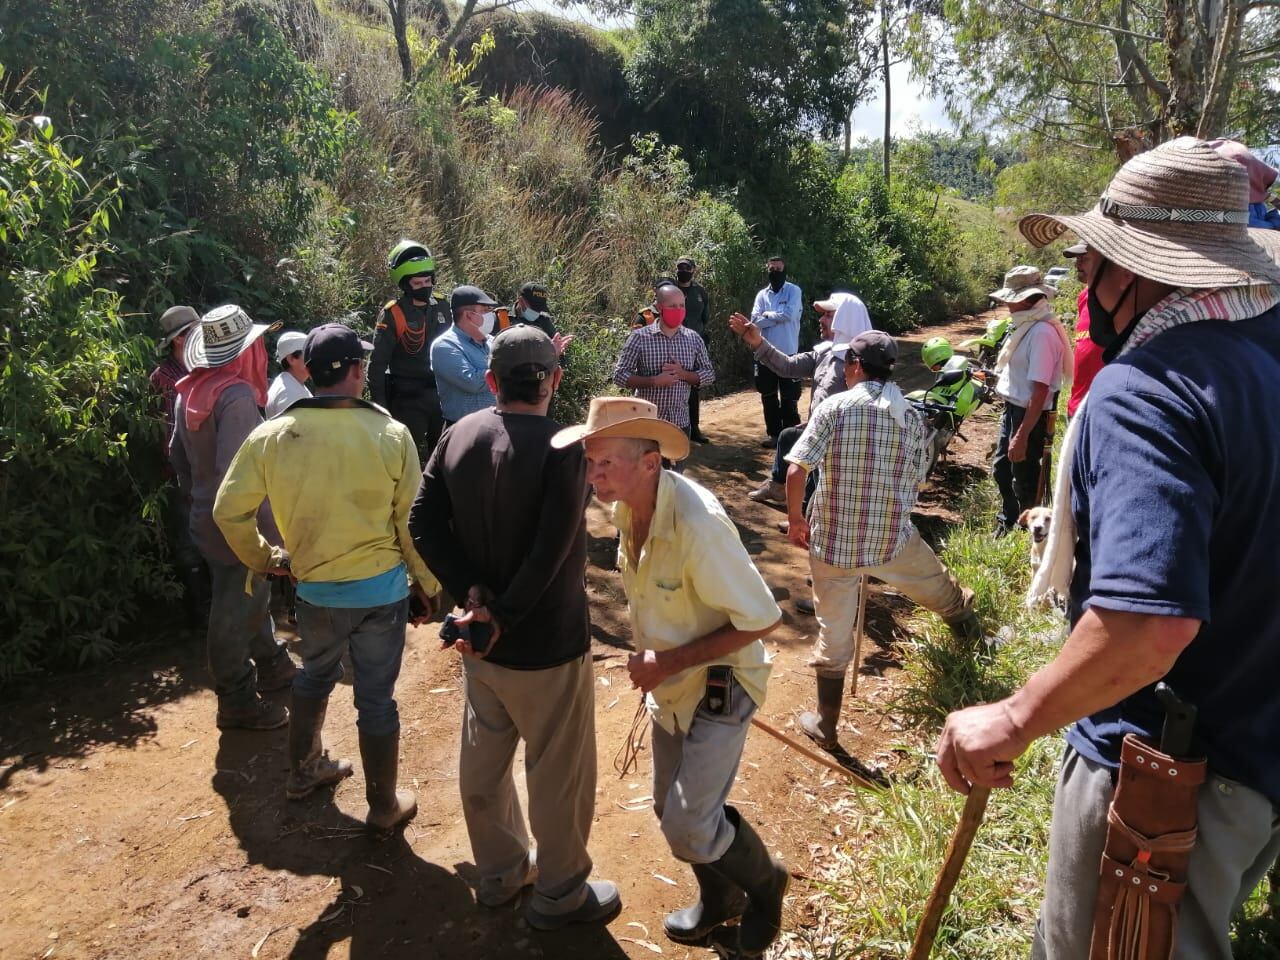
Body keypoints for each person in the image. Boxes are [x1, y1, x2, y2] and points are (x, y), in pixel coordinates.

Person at [938, 137, 1280, 960]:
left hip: (1164, 780)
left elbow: (1146, 625)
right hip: (1256, 750)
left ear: (1135, 269)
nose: (1086, 277)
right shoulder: (1260, 364)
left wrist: (1013, 717)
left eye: (1095, 258)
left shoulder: (1147, 390)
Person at [552, 397, 788, 957]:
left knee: (689, 823)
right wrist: (664, 666)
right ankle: (720, 897)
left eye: (606, 462)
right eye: (589, 462)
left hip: (722, 684)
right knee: (668, 808)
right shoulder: (626, 507)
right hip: (673, 685)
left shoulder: (698, 526)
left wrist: (665, 662)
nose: (593, 475)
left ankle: (766, 886)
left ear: (651, 463)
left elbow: (762, 619)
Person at [409, 326, 619, 930]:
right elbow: (551, 548)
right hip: (547, 642)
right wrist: (499, 613)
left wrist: (471, 595)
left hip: (481, 646)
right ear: (554, 379)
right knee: (557, 774)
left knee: (484, 761)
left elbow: (423, 521)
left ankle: (501, 876)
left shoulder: (458, 434)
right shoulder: (564, 448)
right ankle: (561, 894)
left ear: (491, 380)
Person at [214, 323, 440, 832]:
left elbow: (228, 511)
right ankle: (383, 806)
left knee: (314, 676)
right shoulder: (390, 434)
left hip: (314, 592)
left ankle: (303, 771)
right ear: (358, 370)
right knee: (376, 698)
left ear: (310, 373)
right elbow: (409, 524)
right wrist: (426, 584)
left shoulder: (272, 435)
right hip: (382, 593)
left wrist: (265, 558)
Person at [784, 331, 979, 749]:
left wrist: (797, 520)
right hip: (892, 540)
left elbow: (797, 469)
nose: (843, 370)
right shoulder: (910, 416)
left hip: (832, 544)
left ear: (855, 366)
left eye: (845, 363)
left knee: (834, 632)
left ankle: (827, 724)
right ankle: (975, 643)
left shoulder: (835, 407)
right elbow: (916, 479)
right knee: (940, 589)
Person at [170, 305, 297, 731]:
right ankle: (236, 697)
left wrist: (200, 499)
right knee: (234, 604)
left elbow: (178, 458)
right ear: (246, 352)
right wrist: (265, 532)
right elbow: (239, 476)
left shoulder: (189, 390)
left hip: (206, 517)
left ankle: (273, 663)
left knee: (248, 595)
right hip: (239, 522)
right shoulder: (236, 395)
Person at [733, 291, 867, 507]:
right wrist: (759, 343)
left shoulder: (860, 366)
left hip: (841, 444)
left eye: (828, 315)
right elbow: (788, 366)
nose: (821, 320)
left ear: (846, 321)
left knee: (817, 481)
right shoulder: (825, 354)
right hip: (819, 433)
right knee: (789, 436)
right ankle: (778, 488)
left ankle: (806, 511)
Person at [987, 265, 1072, 536]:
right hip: (1015, 409)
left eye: (1011, 300)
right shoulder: (1027, 326)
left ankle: (1031, 531)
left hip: (1029, 414)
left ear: (1026, 300)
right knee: (1002, 468)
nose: (1008, 305)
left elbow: (1040, 390)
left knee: (1024, 475)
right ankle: (1010, 519)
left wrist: (1022, 435)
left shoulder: (1041, 333)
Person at [369, 240, 453, 460]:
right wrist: (380, 409)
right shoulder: (393, 314)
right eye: (418, 283)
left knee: (444, 456)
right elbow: (377, 365)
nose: (425, 287)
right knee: (404, 457)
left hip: (441, 396)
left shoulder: (443, 306)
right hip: (407, 399)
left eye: (428, 281)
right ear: (406, 285)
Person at [150, 304, 208, 625]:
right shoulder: (165, 378)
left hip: (205, 472)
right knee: (188, 544)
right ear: (179, 339)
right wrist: (184, 477)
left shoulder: (201, 369)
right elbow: (168, 437)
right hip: (180, 475)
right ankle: (198, 614)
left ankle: (212, 609)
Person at [612, 281, 715, 453]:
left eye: (682, 305)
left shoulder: (693, 339)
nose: (678, 310)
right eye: (672, 306)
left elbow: (709, 374)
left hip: (680, 424)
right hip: (647, 424)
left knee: (675, 469)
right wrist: (654, 381)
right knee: (647, 469)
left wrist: (683, 374)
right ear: (659, 308)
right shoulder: (639, 338)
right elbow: (619, 376)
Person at [431, 284, 503, 427]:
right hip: (462, 429)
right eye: (485, 310)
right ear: (468, 315)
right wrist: (507, 368)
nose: (491, 315)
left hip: (496, 426)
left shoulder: (493, 341)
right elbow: (473, 382)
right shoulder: (444, 346)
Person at [749, 255, 803, 448]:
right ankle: (774, 435)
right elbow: (754, 320)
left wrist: (767, 315)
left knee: (789, 398)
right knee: (768, 396)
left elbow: (789, 315)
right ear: (767, 270)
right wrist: (775, 317)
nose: (775, 273)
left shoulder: (793, 291)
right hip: (765, 354)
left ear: (784, 270)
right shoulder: (762, 295)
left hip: (788, 354)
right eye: (772, 269)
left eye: (778, 269)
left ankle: (792, 437)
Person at [1062, 244, 1104, 419]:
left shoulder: (1119, 300)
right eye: (1077, 259)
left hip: (1099, 409)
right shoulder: (1084, 296)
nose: (1077, 264)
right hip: (1077, 406)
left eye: (1084, 258)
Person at [675, 257, 712, 443]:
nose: (683, 270)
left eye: (687, 267)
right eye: (680, 267)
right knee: (673, 384)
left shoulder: (700, 292)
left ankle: (694, 428)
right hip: (673, 344)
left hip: (695, 344)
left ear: (693, 270)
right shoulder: (670, 290)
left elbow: (705, 318)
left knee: (694, 386)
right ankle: (673, 429)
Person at [265, 330, 312, 418]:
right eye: (308, 353)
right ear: (291, 359)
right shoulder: (288, 393)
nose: (313, 358)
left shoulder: (291, 384)